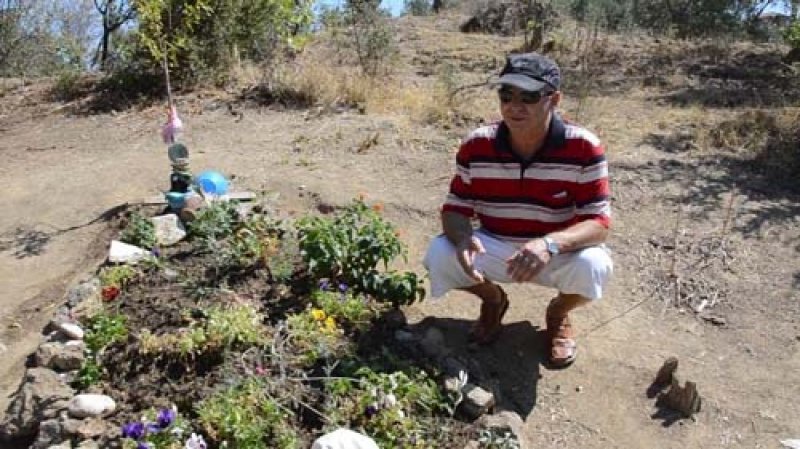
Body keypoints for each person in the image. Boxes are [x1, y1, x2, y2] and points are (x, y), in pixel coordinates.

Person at [423, 52, 613, 369]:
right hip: (495, 243)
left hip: (554, 251)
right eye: (506, 94)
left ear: (554, 99)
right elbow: (455, 208)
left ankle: (557, 314)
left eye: (529, 96)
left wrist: (549, 244)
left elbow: (600, 223)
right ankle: (494, 301)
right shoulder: (476, 145)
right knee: (440, 253)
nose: (515, 105)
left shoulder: (583, 146)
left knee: (594, 266)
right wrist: (463, 237)